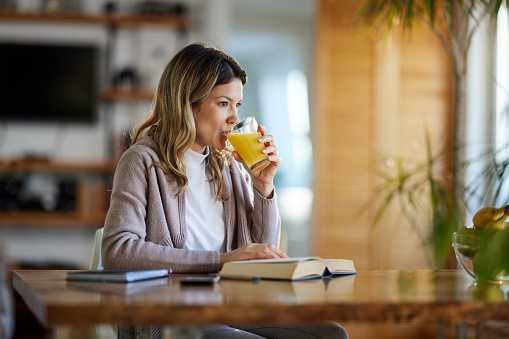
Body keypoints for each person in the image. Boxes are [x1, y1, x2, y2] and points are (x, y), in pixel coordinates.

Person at [101, 42, 348, 339]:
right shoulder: (141, 161)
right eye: (223, 104)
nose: (234, 118)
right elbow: (117, 251)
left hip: (232, 309)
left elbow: (260, 255)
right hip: (172, 318)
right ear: (186, 103)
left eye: (237, 105)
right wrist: (220, 261)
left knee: (331, 334)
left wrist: (263, 185)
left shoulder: (228, 167)